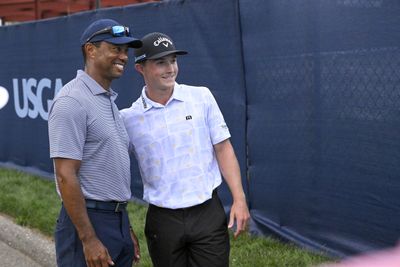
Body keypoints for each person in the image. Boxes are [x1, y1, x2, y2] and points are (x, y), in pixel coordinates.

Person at [120, 32, 251, 267]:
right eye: (161, 62)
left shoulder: (201, 97)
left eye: (173, 61)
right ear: (140, 68)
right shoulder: (128, 119)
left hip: (207, 214)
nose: (170, 68)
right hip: (163, 220)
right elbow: (116, 171)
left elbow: (223, 148)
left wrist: (239, 199)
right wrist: (121, 222)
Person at [48, 19, 142, 267]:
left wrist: (124, 226)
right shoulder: (72, 100)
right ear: (90, 50)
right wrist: (89, 239)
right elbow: (65, 175)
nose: (123, 56)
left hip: (116, 220)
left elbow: (108, 173)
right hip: (88, 224)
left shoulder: (107, 100)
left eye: (125, 51)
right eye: (115, 48)